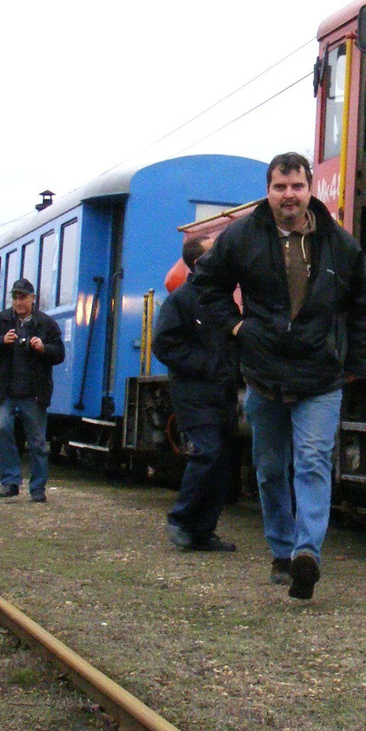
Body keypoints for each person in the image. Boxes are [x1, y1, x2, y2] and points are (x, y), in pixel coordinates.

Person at [194, 152, 366, 600]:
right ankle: (281, 549)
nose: (289, 196)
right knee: (270, 469)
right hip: (263, 374)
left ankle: (306, 555)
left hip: (320, 375)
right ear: (269, 191)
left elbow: (364, 306)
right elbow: (206, 286)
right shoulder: (242, 237)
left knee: (313, 462)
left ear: (310, 189)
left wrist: (355, 362)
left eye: (296, 186)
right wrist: (237, 327)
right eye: (280, 187)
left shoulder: (340, 244)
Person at [153, 236, 240, 552]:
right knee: (207, 451)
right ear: (199, 262)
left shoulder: (223, 300)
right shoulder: (180, 301)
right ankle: (180, 519)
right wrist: (207, 365)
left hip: (223, 392)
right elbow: (163, 344)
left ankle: (203, 531)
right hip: (193, 391)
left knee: (223, 458)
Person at [0, 277, 65, 502]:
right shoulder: (1, 321)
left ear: (32, 299)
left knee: (37, 441)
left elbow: (59, 354)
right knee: (0, 429)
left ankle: (37, 488)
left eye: (23, 298)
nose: (18, 302)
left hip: (33, 392)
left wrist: (43, 347)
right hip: (5, 390)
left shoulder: (46, 324)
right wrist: (1, 341)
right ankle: (10, 482)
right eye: (15, 298)